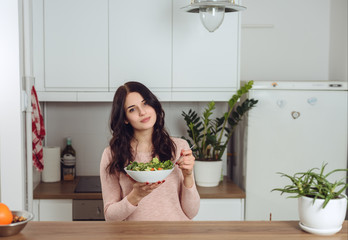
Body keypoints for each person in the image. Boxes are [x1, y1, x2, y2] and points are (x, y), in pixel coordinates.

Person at [100, 81, 200, 221]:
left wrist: (188, 176)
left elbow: (192, 212)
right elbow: (110, 217)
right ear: (125, 119)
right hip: (135, 235)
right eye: (132, 109)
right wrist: (136, 195)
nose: (143, 112)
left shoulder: (179, 147)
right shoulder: (112, 154)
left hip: (177, 233)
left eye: (145, 103)